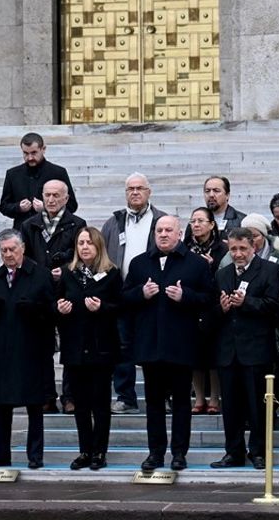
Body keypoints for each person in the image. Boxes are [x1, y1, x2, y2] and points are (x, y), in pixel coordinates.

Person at [122, 215, 213, 472]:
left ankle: (179, 453)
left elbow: (209, 298)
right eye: (159, 230)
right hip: (150, 345)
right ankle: (155, 452)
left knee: (182, 402)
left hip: (181, 345)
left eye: (168, 230)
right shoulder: (140, 263)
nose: (163, 234)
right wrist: (141, 293)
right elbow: (124, 298)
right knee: (153, 403)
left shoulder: (195, 264)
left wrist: (186, 296)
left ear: (179, 233)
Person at [0, 229, 56, 469]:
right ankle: (0, 454)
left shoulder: (40, 275)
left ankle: (35, 455)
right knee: (3, 405)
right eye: (4, 250)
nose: (8, 254)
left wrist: (36, 310)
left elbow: (53, 312)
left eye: (12, 249)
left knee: (34, 405)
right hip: (3, 349)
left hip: (32, 348)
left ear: (22, 248)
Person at [209, 228, 279, 469]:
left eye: (242, 249)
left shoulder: (270, 270)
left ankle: (258, 451)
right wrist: (221, 308)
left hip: (257, 349)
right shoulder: (222, 274)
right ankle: (233, 451)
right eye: (233, 249)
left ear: (253, 247)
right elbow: (212, 312)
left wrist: (247, 302)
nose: (238, 254)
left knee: (256, 405)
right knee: (230, 405)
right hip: (228, 351)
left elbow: (274, 306)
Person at [100, 172, 167, 414]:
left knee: (157, 345)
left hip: (153, 292)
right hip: (122, 293)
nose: (135, 192)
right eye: (130, 189)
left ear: (149, 192)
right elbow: (103, 253)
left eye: (140, 188)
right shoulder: (115, 221)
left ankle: (163, 396)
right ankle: (126, 396)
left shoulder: (160, 219)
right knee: (123, 346)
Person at [57, 227, 122, 470]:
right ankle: (85, 450)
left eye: (89, 243)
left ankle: (99, 451)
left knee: (100, 403)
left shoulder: (112, 274)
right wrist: (60, 310)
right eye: (81, 243)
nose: (84, 247)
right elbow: (57, 303)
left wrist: (102, 307)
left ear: (98, 247)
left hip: (101, 347)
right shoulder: (68, 273)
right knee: (80, 404)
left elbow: (120, 307)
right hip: (75, 347)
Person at [21, 178, 87, 414]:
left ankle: (70, 395)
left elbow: (83, 254)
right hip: (40, 294)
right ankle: (46, 394)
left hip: (68, 291)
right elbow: (24, 257)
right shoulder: (30, 225)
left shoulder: (77, 224)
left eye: (56, 195)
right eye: (47, 195)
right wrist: (40, 274)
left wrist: (67, 268)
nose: (50, 199)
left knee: (70, 346)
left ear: (66, 198)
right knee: (42, 347)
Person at [183, 206, 225, 415]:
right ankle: (199, 397)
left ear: (211, 224)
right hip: (191, 306)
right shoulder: (184, 247)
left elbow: (226, 275)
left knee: (213, 355)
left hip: (214, 306)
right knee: (195, 355)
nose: (196, 225)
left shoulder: (221, 248)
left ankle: (215, 397)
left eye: (201, 221)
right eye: (193, 221)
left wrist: (212, 265)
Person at [0, 131, 78, 229]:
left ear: (43, 149)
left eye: (34, 153)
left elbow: (72, 205)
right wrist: (18, 207)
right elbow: (4, 206)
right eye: (25, 153)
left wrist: (46, 208)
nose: (30, 157)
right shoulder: (13, 174)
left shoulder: (58, 172)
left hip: (52, 231)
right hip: (23, 231)